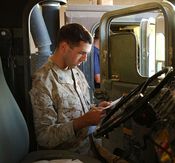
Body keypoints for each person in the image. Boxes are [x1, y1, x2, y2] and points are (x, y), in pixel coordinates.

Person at [30, 23, 126, 162]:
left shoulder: (76, 72)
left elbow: (82, 109)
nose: (85, 59)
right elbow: (44, 137)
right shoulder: (43, 81)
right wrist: (82, 122)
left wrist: (97, 108)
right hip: (67, 155)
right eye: (81, 53)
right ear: (64, 47)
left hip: (91, 146)